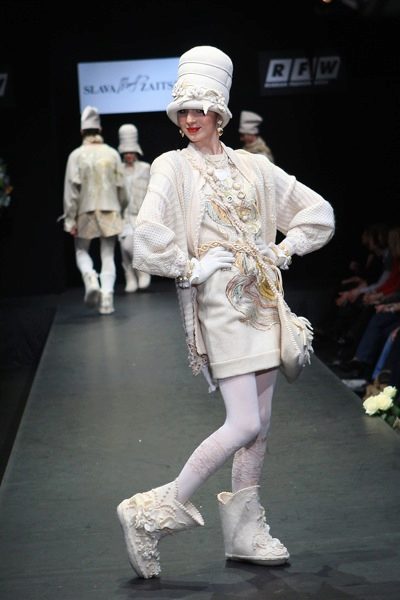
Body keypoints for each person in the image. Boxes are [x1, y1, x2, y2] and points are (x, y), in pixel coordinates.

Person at [116, 45, 335, 579]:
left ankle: (244, 532)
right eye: (182, 110)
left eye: (200, 109)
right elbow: (146, 233)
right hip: (220, 302)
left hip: (263, 299)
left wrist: (282, 250)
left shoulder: (253, 165)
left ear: (220, 111)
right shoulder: (172, 165)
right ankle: (152, 512)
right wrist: (189, 267)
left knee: (259, 427)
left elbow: (317, 211)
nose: (190, 119)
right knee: (243, 422)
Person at [62, 106, 127, 315]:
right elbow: (122, 187)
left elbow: (71, 191)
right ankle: (107, 298)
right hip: (111, 208)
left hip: (85, 209)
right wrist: (121, 208)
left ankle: (90, 278)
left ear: (82, 131)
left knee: (81, 250)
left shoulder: (76, 156)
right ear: (100, 130)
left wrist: (69, 219)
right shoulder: (112, 153)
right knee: (107, 255)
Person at [117, 124, 151, 292]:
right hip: (123, 215)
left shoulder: (145, 168)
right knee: (125, 247)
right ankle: (130, 276)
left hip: (141, 214)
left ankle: (142, 272)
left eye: (131, 152)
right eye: (126, 153)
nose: (129, 155)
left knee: (136, 245)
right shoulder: (118, 170)